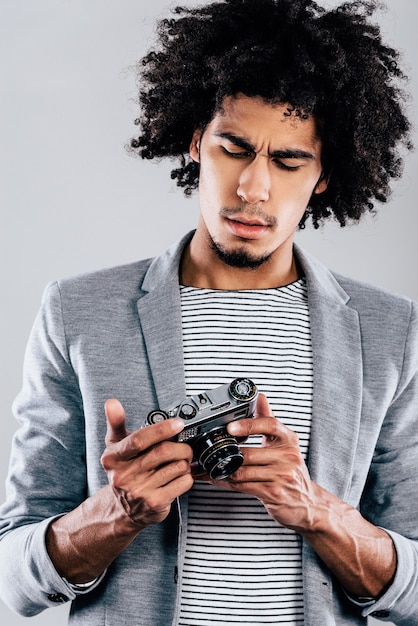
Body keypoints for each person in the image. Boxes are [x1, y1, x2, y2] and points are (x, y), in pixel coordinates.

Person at [0, 0, 417, 624]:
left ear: (325, 173)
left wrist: (315, 509)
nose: (253, 188)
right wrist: (113, 516)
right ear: (196, 141)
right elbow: (9, 577)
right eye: (234, 148)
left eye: (288, 160)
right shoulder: (79, 311)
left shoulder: (391, 332)